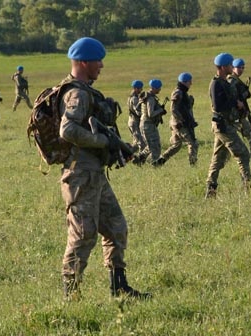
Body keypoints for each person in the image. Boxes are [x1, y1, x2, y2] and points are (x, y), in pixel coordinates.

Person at [58, 37, 149, 300]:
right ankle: (71, 297)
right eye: (98, 60)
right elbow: (68, 129)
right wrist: (100, 141)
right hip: (80, 175)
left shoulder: (86, 91)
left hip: (94, 173)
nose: (102, 65)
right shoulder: (76, 93)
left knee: (116, 226)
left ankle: (119, 286)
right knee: (83, 235)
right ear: (84, 62)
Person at [205, 53, 251, 198]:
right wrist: (235, 103)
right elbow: (218, 106)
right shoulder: (216, 83)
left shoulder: (224, 82)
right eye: (231, 65)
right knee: (243, 153)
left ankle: (210, 190)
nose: (233, 67)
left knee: (218, 159)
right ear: (224, 67)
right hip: (223, 125)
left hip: (226, 125)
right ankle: (248, 188)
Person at [157, 72, 199, 166]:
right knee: (193, 143)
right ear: (184, 82)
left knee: (176, 145)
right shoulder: (178, 92)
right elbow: (173, 108)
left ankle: (160, 161)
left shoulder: (182, 92)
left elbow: (183, 107)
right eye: (189, 82)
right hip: (180, 124)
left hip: (177, 123)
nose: (191, 84)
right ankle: (193, 164)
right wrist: (181, 120)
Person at [228, 58, 251, 160]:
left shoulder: (236, 80)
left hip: (240, 114)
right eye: (239, 68)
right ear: (233, 68)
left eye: (242, 68)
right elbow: (232, 97)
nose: (241, 70)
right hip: (236, 115)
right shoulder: (232, 81)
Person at [136, 79, 166, 166]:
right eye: (158, 88)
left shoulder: (147, 96)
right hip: (148, 125)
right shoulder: (150, 98)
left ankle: (139, 158)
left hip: (146, 124)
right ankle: (154, 164)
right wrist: (161, 110)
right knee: (155, 147)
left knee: (150, 146)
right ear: (154, 88)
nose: (159, 90)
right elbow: (151, 114)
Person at [127, 80, 146, 155]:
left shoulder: (132, 96)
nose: (140, 90)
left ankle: (126, 156)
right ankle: (140, 160)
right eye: (139, 88)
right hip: (134, 122)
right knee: (141, 143)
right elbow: (137, 111)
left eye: (141, 88)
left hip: (133, 121)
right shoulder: (134, 98)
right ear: (134, 88)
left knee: (135, 144)